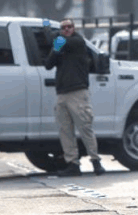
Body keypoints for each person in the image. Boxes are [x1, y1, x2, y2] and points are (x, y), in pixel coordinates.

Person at [43, 19, 105, 177]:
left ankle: (96, 162)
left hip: (78, 92)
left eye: (69, 27)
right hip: (62, 93)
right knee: (65, 130)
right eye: (63, 28)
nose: (67, 29)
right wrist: (54, 46)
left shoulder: (78, 42)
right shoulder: (60, 44)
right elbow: (49, 64)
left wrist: (52, 36)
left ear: (74, 28)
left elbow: (63, 42)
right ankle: (73, 164)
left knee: (85, 128)